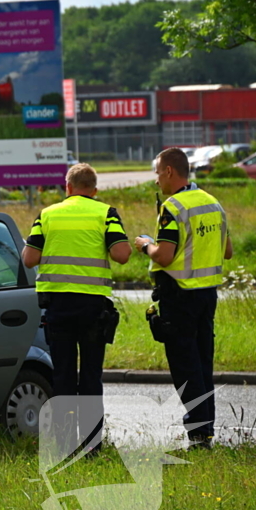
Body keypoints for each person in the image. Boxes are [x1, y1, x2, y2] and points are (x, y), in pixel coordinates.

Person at [22, 163, 131, 454]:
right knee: (91, 376)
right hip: (94, 308)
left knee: (64, 377)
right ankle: (92, 447)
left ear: (67, 188)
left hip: (58, 308)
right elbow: (121, 255)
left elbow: (29, 259)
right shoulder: (105, 212)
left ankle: (66, 445)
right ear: (95, 191)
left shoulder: (47, 214)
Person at [134, 148, 232, 449]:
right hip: (207, 296)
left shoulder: (173, 208)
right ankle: (207, 431)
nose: (156, 181)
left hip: (180, 296)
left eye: (157, 173)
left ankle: (199, 437)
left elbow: (163, 256)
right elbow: (227, 252)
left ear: (169, 172)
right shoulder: (213, 203)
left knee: (185, 368)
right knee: (202, 365)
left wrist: (145, 245)